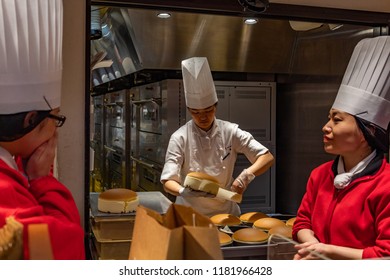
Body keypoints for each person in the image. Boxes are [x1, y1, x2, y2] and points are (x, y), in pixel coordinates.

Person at [0, 0, 85, 259]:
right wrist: (41, 180)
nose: (55, 133)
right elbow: (68, 254)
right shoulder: (6, 194)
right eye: (56, 119)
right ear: (30, 120)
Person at [293, 36, 390, 260]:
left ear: (368, 133)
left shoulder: (385, 185)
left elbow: (385, 256)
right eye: (329, 118)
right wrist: (312, 246)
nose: (325, 127)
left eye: (337, 120)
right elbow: (302, 222)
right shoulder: (320, 175)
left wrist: (326, 251)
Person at [161, 57, 274, 217]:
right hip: (190, 213)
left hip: (225, 213)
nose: (202, 117)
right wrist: (183, 191)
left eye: (208, 111)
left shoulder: (230, 131)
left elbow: (267, 157)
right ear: (188, 110)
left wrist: (246, 176)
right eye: (195, 112)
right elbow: (168, 181)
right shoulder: (179, 137)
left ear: (216, 105)